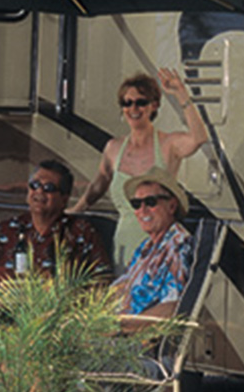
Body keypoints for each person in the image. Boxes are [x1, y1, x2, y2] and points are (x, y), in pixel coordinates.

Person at [71, 68, 208, 263]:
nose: (133, 109)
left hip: (160, 244)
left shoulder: (168, 144)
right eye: (127, 103)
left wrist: (180, 93)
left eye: (140, 102)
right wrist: (75, 210)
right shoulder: (114, 148)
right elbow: (97, 186)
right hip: (125, 243)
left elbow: (199, 137)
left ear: (154, 106)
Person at [110, 168, 196, 392]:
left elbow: (173, 308)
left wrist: (120, 325)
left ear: (172, 205)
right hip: (122, 338)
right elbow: (120, 288)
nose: (142, 209)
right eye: (136, 204)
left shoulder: (176, 246)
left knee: (57, 350)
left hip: (145, 350)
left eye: (151, 202)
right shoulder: (148, 247)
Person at [0, 159, 113, 281]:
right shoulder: (4, 231)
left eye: (48, 188)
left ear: (64, 199)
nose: (39, 191)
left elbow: (102, 279)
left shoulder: (81, 232)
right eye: (34, 185)